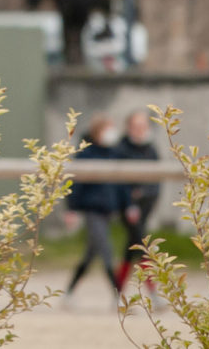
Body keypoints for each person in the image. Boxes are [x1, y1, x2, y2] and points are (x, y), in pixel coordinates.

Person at [65, 114, 127, 306]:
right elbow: (74, 185)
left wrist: (127, 205)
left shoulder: (113, 153)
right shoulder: (86, 155)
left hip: (108, 210)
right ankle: (118, 296)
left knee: (91, 253)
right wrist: (71, 209)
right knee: (106, 251)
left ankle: (68, 293)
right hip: (92, 210)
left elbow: (120, 185)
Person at [114, 109, 161, 292]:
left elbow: (156, 180)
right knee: (141, 244)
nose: (140, 130)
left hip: (146, 205)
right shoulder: (122, 149)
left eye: (143, 126)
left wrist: (144, 196)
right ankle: (152, 289)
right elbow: (120, 181)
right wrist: (130, 204)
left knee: (133, 245)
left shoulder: (151, 149)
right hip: (128, 207)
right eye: (136, 126)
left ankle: (117, 289)